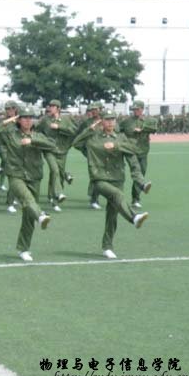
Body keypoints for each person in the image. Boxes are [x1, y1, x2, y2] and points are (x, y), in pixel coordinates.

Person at [73, 109, 151, 259]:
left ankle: (107, 247)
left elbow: (134, 149)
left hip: (117, 178)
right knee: (117, 195)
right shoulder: (93, 137)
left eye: (112, 119)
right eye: (107, 119)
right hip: (99, 178)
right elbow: (76, 143)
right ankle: (134, 218)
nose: (110, 122)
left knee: (112, 215)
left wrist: (116, 146)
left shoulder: (120, 137)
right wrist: (89, 130)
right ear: (101, 121)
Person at [0, 106, 56, 261]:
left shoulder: (38, 135)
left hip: (34, 176)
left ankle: (24, 248)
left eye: (30, 118)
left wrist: (32, 141)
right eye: (24, 117)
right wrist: (7, 121)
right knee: (27, 199)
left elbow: (53, 145)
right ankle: (41, 216)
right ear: (18, 120)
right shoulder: (10, 134)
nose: (28, 120)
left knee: (28, 215)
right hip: (16, 175)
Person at [36, 99, 77, 212]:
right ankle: (58, 194)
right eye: (50, 106)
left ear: (58, 108)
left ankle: (53, 198)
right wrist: (43, 140)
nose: (50, 108)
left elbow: (73, 131)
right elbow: (37, 131)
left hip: (62, 151)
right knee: (54, 170)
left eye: (53, 106)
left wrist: (59, 127)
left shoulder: (66, 119)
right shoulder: (45, 120)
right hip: (49, 149)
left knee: (57, 174)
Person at [119, 100, 157, 208]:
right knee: (136, 170)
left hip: (143, 150)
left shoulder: (148, 121)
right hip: (130, 150)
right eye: (134, 109)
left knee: (142, 172)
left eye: (137, 109)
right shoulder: (126, 121)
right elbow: (117, 130)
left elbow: (154, 129)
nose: (135, 111)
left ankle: (135, 198)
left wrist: (142, 130)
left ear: (142, 109)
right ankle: (135, 197)